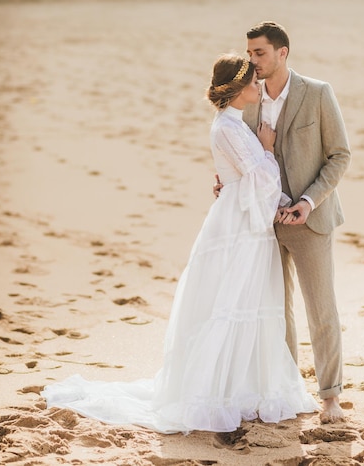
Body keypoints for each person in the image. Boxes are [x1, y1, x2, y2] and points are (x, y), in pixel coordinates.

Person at [42, 54, 318, 434]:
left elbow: (249, 180)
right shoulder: (228, 129)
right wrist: (267, 147)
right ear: (238, 90)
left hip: (242, 222)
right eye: (253, 82)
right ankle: (217, 392)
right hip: (238, 227)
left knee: (246, 301)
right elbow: (262, 180)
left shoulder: (233, 125)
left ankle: (243, 387)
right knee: (232, 301)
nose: (258, 87)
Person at [215, 22, 351, 424]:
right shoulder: (249, 98)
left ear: (282, 53)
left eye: (259, 53)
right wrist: (227, 182)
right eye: (250, 53)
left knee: (321, 309)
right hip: (264, 222)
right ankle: (287, 391)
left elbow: (340, 155)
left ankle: (331, 398)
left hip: (311, 221)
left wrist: (309, 201)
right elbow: (244, 156)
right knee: (276, 311)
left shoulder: (319, 93)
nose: (252, 61)